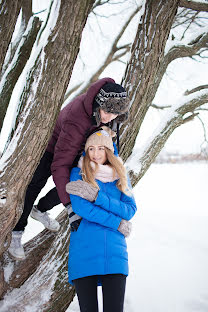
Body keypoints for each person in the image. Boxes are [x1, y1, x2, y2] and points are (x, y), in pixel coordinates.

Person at [8, 77, 130, 261]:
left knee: (75, 183)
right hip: (52, 147)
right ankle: (16, 233)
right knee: (34, 185)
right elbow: (60, 164)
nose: (109, 118)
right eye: (107, 112)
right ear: (99, 103)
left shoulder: (103, 113)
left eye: (114, 115)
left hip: (76, 148)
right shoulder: (78, 118)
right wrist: (69, 207)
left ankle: (39, 210)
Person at [66, 126, 137, 312]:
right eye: (91, 149)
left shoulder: (121, 175)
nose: (95, 154)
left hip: (114, 253)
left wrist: (98, 197)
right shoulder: (78, 173)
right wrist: (117, 223)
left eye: (100, 148)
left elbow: (129, 210)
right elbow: (82, 208)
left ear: (108, 150)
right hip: (84, 251)